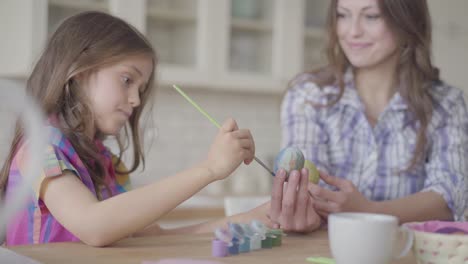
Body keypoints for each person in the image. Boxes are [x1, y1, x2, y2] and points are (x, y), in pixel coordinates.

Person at [0, 11, 271, 247]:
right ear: (79, 72)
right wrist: (210, 169)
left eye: (140, 89)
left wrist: (259, 217)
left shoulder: (107, 164)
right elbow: (93, 226)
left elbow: (157, 239)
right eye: (127, 79)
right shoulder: (41, 147)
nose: (136, 100)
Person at [275, 0, 468, 227]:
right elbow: (308, 188)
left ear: (406, 20)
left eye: (371, 16)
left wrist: (370, 211)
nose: (353, 31)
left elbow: (451, 194)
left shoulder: (446, 104)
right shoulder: (308, 96)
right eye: (343, 15)